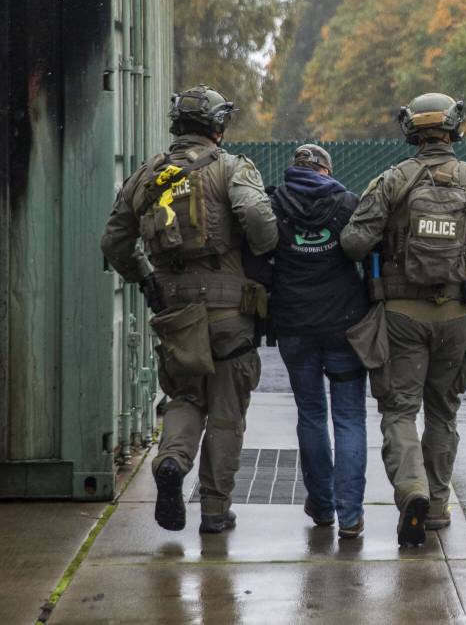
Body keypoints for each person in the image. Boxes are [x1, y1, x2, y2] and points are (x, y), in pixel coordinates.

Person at [339, 93, 466, 546]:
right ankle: (437, 505)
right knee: (444, 413)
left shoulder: (392, 181)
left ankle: (411, 489)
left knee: (400, 410)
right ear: (455, 128)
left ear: (411, 130)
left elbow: (352, 243)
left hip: (401, 315)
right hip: (456, 317)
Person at [100, 86, 278, 533]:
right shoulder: (232, 168)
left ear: (177, 125)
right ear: (218, 126)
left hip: (175, 309)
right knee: (225, 412)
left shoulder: (146, 175)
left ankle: (171, 460)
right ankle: (215, 511)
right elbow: (258, 220)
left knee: (185, 396)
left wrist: (146, 278)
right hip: (228, 312)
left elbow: (114, 243)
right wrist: (261, 248)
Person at [267, 144, 370, 538]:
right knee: (349, 418)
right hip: (344, 324)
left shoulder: (274, 205)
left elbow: (260, 252)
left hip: (295, 326)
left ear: (295, 169)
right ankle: (351, 516)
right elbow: (365, 250)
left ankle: (322, 507)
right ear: (326, 170)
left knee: (310, 415)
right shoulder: (347, 204)